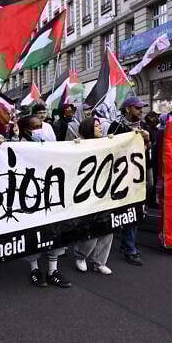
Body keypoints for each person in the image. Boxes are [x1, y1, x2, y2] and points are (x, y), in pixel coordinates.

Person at [18, 115, 72, 288]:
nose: (39, 130)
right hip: (31, 197)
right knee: (34, 232)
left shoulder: (49, 145)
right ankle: (34, 269)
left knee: (55, 229)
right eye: (34, 127)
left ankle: (52, 271)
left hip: (51, 194)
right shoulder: (18, 147)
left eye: (40, 125)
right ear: (26, 130)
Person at [107, 96, 150, 266]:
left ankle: (128, 245)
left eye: (141, 108)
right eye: (137, 108)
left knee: (135, 210)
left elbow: (148, 149)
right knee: (128, 211)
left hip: (139, 175)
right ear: (127, 109)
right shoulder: (116, 127)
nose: (141, 111)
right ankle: (129, 248)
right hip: (122, 176)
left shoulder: (143, 126)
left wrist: (147, 138)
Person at [74, 117, 114, 275]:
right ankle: (81, 256)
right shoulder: (80, 145)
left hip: (106, 191)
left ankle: (99, 261)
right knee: (91, 226)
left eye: (99, 125)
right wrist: (75, 146)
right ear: (88, 129)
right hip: (88, 193)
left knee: (108, 227)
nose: (100, 128)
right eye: (96, 126)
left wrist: (115, 141)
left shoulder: (107, 142)